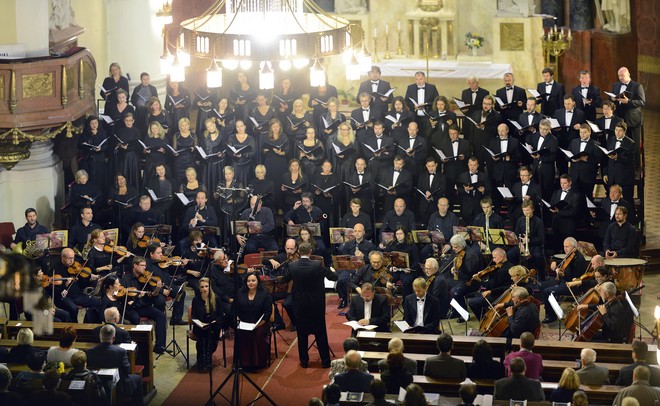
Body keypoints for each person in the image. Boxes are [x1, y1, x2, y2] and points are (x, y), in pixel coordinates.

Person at [279, 242, 337, 368]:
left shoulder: (292, 266)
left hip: (300, 305)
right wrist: (332, 270)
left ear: (298, 252)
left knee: (302, 334)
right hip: (316, 305)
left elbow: (284, 280)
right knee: (320, 333)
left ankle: (304, 361)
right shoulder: (317, 265)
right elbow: (333, 277)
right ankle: (325, 362)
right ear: (310, 252)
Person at [120, 256, 168, 354]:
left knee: (161, 316)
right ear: (135, 265)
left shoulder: (147, 278)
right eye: (142, 265)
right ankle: (139, 347)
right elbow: (124, 296)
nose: (144, 268)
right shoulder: (126, 279)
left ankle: (159, 346)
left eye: (145, 266)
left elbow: (153, 294)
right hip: (132, 307)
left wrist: (158, 289)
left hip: (144, 306)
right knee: (135, 318)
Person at [86, 325, 143, 406]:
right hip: (119, 384)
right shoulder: (120, 351)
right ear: (113, 337)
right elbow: (127, 370)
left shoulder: (90, 351)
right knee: (137, 378)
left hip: (98, 383)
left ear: (100, 336)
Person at [467, 248, 512, 320]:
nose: (493, 260)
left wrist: (480, 280)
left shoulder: (502, 271)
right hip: (499, 292)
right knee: (474, 295)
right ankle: (486, 314)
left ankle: (483, 320)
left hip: (498, 295)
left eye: (494, 257)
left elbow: (490, 286)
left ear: (501, 257)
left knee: (471, 302)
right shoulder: (509, 265)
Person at [191, 277, 224, 372]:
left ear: (210, 287)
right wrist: (199, 323)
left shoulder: (216, 299)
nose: (205, 289)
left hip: (213, 326)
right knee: (201, 342)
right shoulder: (196, 300)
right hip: (200, 327)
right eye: (202, 287)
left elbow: (220, 316)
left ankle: (208, 361)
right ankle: (201, 362)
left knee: (210, 340)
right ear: (199, 288)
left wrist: (213, 323)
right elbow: (193, 316)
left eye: (206, 286)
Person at [611, 66, 645, 153]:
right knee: (620, 143)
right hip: (619, 118)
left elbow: (642, 102)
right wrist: (613, 99)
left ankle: (635, 165)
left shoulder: (637, 86)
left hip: (632, 120)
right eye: (619, 76)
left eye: (623, 75)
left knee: (633, 143)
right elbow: (611, 98)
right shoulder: (616, 85)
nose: (621, 78)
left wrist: (628, 101)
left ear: (628, 74)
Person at [549, 175, 584, 244]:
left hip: (568, 227)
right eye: (561, 183)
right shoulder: (556, 192)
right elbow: (551, 204)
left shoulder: (576, 195)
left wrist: (559, 211)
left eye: (565, 183)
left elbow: (574, 212)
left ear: (570, 183)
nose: (562, 185)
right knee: (556, 248)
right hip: (556, 225)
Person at [457, 156, 492, 225]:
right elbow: (459, 190)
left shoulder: (484, 176)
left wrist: (483, 190)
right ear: (468, 165)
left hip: (479, 206)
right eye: (470, 165)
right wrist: (465, 190)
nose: (472, 167)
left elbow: (489, 189)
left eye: (474, 165)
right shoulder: (462, 176)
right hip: (466, 207)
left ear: (478, 165)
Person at [404, 71, 439, 136]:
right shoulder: (410, 87)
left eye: (421, 79)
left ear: (424, 78)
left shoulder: (432, 88)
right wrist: (414, 106)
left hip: (428, 116)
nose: (418, 81)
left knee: (428, 135)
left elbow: (436, 101)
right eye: (417, 79)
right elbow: (406, 101)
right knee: (416, 135)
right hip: (415, 116)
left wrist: (425, 105)